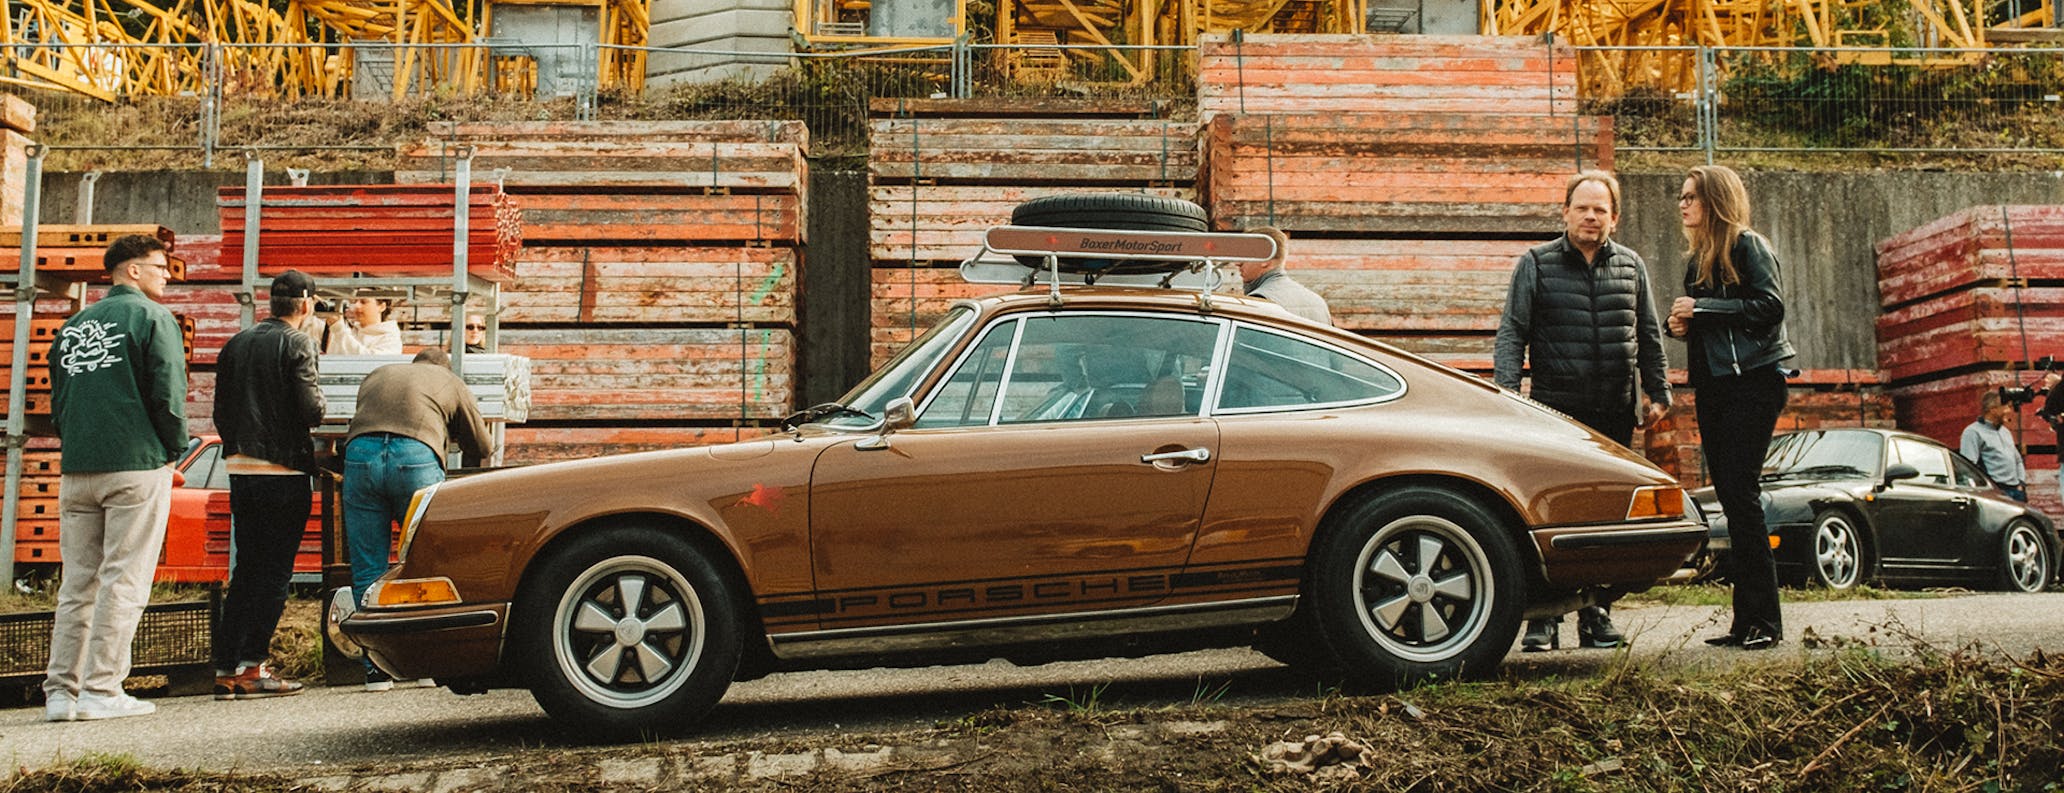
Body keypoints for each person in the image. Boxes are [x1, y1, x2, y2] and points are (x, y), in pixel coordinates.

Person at [1494, 169, 1671, 652]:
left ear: (1615, 217)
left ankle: (1596, 614)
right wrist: (1506, 394)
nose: (1591, 216)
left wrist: (1659, 391)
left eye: (1600, 209)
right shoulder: (1536, 263)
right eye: (1582, 208)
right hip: (1555, 412)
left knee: (1607, 517)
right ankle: (1544, 618)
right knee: (1550, 512)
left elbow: (1648, 333)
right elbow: (1513, 332)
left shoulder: (1631, 266)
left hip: (1614, 413)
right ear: (1565, 212)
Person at [42, 234, 188, 721]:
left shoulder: (73, 325)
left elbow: (58, 398)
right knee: (124, 580)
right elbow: (167, 392)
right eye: (160, 267)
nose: (166, 275)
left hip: (78, 467)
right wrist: (174, 449)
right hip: (136, 463)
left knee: (77, 585)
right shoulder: (152, 318)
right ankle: (102, 690)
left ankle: (61, 694)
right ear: (133, 270)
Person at [1666, 164, 1794, 652]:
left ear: (1715, 201)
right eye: (1681, 197)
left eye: (1691, 196)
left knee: (1742, 495)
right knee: (1731, 497)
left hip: (1755, 382)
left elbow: (1770, 307)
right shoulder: (1697, 262)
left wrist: (1702, 310)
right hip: (1714, 387)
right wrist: (1680, 327)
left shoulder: (1748, 246)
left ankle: (1766, 622)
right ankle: (1746, 623)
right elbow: (1710, 328)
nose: (1682, 204)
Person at [342, 347, 492, 690]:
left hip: (360, 456)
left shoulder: (379, 375)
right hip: (415, 456)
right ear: (445, 367)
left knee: (368, 566)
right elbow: (483, 446)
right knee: (423, 561)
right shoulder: (449, 381)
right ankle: (424, 664)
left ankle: (376, 670)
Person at [210, 270, 327, 699]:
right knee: (276, 572)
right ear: (306, 304)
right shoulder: (299, 343)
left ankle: (226, 668)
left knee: (246, 569)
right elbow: (312, 410)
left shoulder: (235, 343)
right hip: (283, 469)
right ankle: (253, 666)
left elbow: (221, 411)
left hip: (241, 468)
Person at [1239, 226, 1332, 325]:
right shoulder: (1318, 302)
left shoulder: (1261, 302)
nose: (1238, 263)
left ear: (1265, 260)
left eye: (1246, 255)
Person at [1962, 391, 2027, 502]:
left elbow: (2018, 461)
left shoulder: (2005, 432)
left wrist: (2021, 483)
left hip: (2017, 492)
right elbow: (1968, 467)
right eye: (2005, 407)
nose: (2009, 410)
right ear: (1993, 410)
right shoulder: (1973, 432)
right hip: (1996, 493)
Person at [325, 296, 402, 355]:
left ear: (382, 307)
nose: (356, 306)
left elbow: (367, 363)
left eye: (363, 302)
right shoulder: (350, 331)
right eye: (355, 301)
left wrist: (339, 331)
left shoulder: (390, 338)